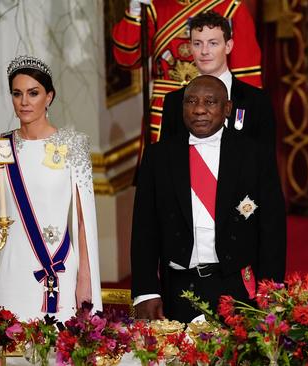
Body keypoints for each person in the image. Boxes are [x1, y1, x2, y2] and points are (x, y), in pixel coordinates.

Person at [130, 75, 286, 323]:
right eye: (191, 101)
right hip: (178, 289)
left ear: (227, 109)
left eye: (210, 102)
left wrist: (271, 291)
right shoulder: (159, 156)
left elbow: (272, 229)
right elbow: (144, 229)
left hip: (236, 289)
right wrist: (145, 290)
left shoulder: (253, 155)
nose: (199, 109)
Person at [0, 55, 102, 321]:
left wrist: (86, 278)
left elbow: (83, 222)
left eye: (33, 93)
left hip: (61, 267)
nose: (24, 102)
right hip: (11, 269)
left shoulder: (74, 145)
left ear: (49, 97)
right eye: (17, 93)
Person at [112, 0, 262, 143]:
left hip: (212, 110)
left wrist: (240, 124)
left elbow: (246, 77)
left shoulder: (231, 7)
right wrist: (134, 13)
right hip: (163, 113)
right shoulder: (155, 8)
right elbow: (127, 59)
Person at [159, 10, 276, 159]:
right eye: (197, 43)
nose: (204, 51)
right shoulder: (174, 102)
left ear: (228, 46)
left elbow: (266, 166)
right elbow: (167, 165)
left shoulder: (257, 101)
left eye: (213, 43)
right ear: (190, 48)